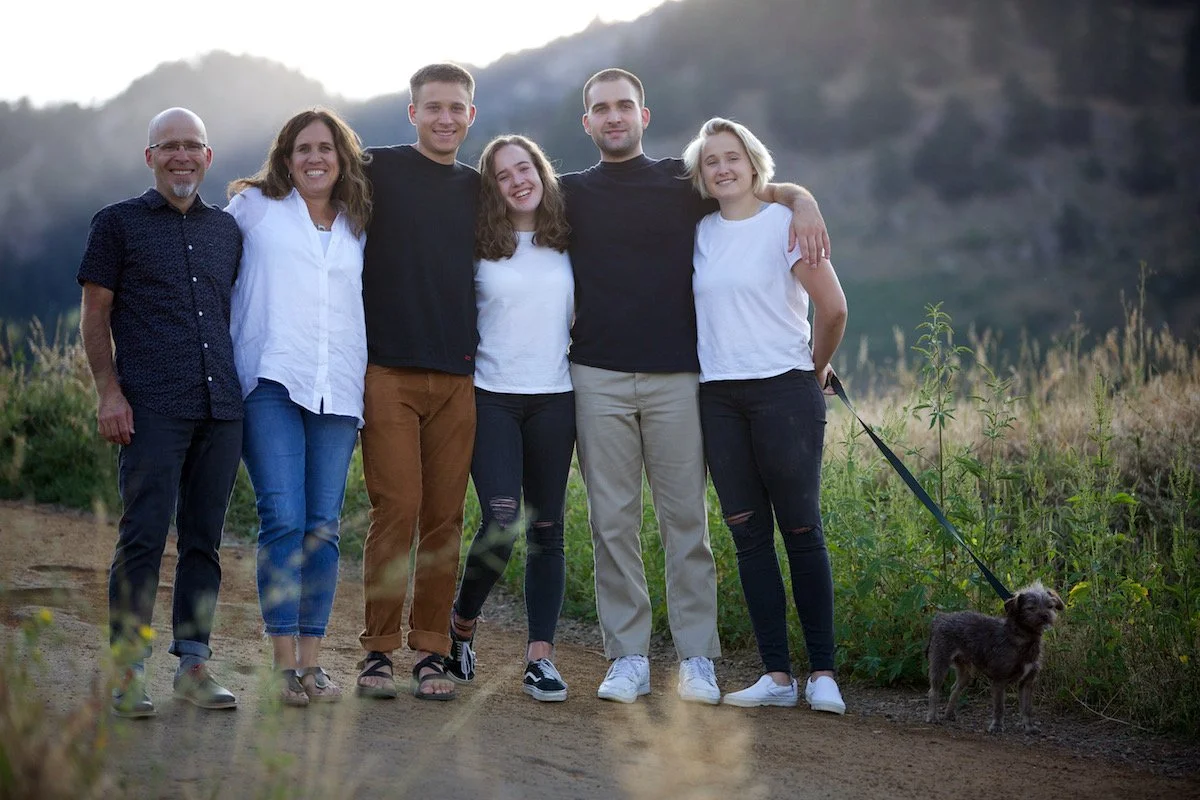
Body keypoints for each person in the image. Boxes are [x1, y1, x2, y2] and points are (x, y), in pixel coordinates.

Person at [563, 68, 831, 704]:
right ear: (587, 122)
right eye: (601, 108)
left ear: (644, 115)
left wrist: (804, 200)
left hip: (680, 378)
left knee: (686, 522)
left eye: (624, 105)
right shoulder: (566, 193)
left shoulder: (681, 184)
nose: (613, 116)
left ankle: (697, 660)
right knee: (612, 522)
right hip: (596, 374)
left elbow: (752, 184)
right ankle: (627, 657)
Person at [78, 107, 243, 718]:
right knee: (144, 536)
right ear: (150, 157)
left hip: (221, 408)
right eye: (169, 146)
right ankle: (127, 670)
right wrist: (108, 392)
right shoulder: (116, 224)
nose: (181, 155)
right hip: (149, 408)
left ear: (208, 156)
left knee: (204, 541)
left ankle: (193, 665)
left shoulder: (228, 231)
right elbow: (95, 313)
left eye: (192, 145)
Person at [683, 117, 848, 713]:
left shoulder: (785, 223)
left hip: (784, 390)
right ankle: (776, 675)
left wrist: (814, 369)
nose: (722, 168)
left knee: (802, 530)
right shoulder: (698, 232)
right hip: (718, 398)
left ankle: (823, 673)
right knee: (749, 536)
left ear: (754, 163)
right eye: (711, 161)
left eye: (733, 157)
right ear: (701, 175)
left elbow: (833, 309)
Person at [225, 108, 372, 706]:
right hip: (270, 377)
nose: (315, 158)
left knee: (322, 526)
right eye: (304, 148)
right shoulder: (254, 208)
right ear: (286, 158)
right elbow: (206, 263)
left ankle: (314, 664)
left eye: (326, 148)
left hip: (338, 386)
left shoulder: (358, 222)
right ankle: (282, 664)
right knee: (283, 517)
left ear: (342, 159)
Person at [355, 63, 479, 701]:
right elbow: (306, 172)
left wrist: (784, 194)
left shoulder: (479, 188)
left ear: (470, 116)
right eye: (433, 107)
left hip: (459, 376)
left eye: (456, 108)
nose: (445, 118)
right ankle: (377, 650)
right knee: (397, 508)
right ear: (413, 113)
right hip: (388, 371)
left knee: (444, 517)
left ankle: (431, 651)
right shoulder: (376, 168)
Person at [442, 135, 575, 702]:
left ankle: (540, 659)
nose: (518, 181)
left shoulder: (569, 237)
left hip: (556, 397)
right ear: (491, 188)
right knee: (501, 520)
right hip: (491, 396)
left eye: (525, 168)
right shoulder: (476, 244)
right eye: (503, 175)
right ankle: (461, 625)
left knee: (547, 530)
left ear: (542, 171)